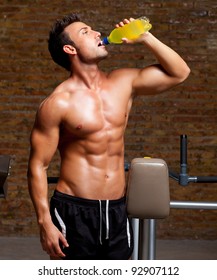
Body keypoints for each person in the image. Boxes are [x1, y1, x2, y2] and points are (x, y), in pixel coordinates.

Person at [27, 13, 190, 260]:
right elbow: (38, 165)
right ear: (70, 49)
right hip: (74, 210)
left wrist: (146, 37)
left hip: (116, 209)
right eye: (85, 32)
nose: (96, 33)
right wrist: (44, 223)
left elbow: (180, 72)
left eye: (93, 29)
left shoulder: (123, 82)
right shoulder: (58, 103)